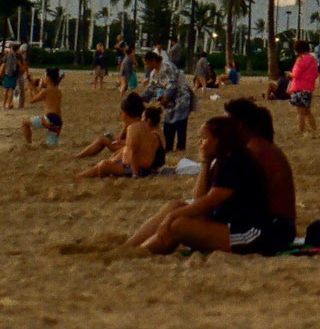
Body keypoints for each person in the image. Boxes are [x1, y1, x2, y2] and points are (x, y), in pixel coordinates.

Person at [134, 115, 275, 255]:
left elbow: (205, 203)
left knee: (178, 225)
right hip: (226, 223)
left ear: (218, 141)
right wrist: (205, 162)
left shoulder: (236, 163)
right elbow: (199, 199)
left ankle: (138, 253)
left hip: (250, 232)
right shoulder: (219, 160)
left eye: (204, 138)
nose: (200, 143)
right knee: (175, 206)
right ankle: (129, 247)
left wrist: (170, 217)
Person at [224, 98, 297, 249]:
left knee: (181, 226)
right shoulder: (262, 147)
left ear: (240, 126)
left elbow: (221, 199)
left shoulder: (250, 152)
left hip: (268, 230)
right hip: (279, 227)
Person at [80, 92, 165, 176]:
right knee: (107, 139)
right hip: (132, 156)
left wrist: (135, 173)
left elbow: (139, 151)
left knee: (106, 158)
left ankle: (80, 168)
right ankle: (80, 165)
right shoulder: (138, 125)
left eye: (122, 112)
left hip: (139, 165)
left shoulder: (144, 129)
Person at [20, 66, 65, 150]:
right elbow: (40, 95)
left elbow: (32, 100)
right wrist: (32, 86)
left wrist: (29, 90)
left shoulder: (46, 90)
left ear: (48, 78)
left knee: (25, 123)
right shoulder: (57, 90)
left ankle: (29, 145)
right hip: (58, 121)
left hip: (49, 118)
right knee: (51, 146)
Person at [288, 39, 320, 136]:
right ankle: (314, 129)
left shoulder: (301, 59)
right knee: (307, 111)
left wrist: (289, 74)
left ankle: (301, 130)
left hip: (298, 87)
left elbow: (296, 74)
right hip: (308, 88)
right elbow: (315, 74)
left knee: (300, 111)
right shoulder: (313, 59)